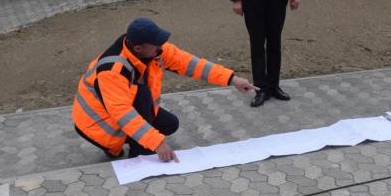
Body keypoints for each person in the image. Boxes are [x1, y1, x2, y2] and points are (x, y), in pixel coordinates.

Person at [72, 18, 258, 162]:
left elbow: (191, 64)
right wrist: (158, 144)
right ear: (138, 48)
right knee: (142, 98)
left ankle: (137, 139)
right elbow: (122, 113)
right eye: (156, 44)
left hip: (120, 108)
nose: (162, 48)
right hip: (97, 125)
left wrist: (233, 79)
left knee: (170, 124)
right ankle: (136, 154)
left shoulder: (152, 50)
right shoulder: (113, 71)